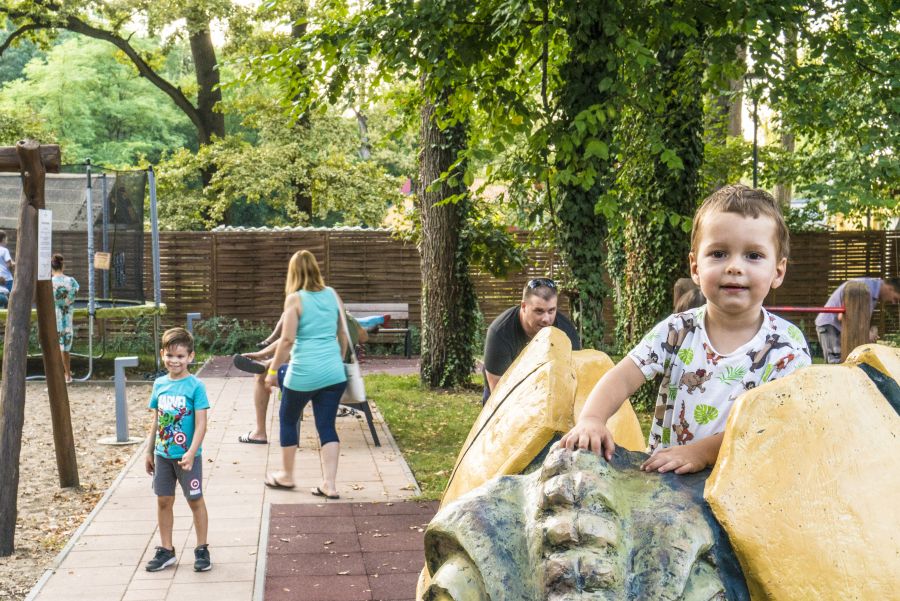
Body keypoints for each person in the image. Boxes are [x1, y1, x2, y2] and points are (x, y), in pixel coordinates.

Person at [560, 184, 811, 474]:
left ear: (778, 271)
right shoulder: (677, 330)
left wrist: (701, 452)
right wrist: (592, 418)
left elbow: (770, 426)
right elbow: (623, 376)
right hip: (668, 482)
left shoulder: (786, 348)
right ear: (695, 267)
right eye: (718, 253)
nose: (734, 267)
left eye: (753, 255)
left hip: (743, 486)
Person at [262, 250, 349, 498]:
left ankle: (287, 475)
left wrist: (271, 371)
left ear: (293, 272)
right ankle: (329, 484)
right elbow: (343, 333)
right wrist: (338, 361)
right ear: (316, 269)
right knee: (326, 425)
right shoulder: (332, 294)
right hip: (334, 373)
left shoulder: (295, 299)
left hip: (302, 374)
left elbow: (287, 340)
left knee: (288, 419)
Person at [234, 311, 367, 445]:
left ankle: (259, 433)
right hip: (340, 380)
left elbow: (290, 340)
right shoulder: (346, 322)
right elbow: (364, 338)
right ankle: (266, 362)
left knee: (262, 376)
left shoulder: (323, 322)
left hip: (313, 380)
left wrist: (264, 357)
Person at [144, 327, 212, 573]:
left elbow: (202, 423)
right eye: (170, 355)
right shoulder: (159, 384)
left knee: (195, 500)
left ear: (190, 357)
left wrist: (192, 452)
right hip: (163, 456)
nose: (175, 361)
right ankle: (166, 550)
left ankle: (202, 548)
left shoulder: (196, 386)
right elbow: (157, 420)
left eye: (181, 356)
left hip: (188, 458)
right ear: (163, 354)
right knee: (164, 500)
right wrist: (149, 451)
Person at [482, 278, 581, 403]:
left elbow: (574, 377)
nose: (546, 319)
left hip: (547, 391)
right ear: (524, 306)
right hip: (505, 391)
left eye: (551, 311)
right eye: (539, 311)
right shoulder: (500, 333)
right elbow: (498, 393)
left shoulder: (566, 331)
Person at [814, 277, 900, 364]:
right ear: (890, 288)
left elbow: (861, 318)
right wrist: (866, 333)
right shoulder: (864, 289)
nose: (893, 302)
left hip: (840, 328)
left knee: (847, 362)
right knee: (835, 364)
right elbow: (843, 317)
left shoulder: (872, 290)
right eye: (896, 299)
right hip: (830, 325)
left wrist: (871, 329)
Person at [51, 254, 80, 383]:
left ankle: (55, 376)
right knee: (65, 348)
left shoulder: (48, 282)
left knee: (54, 346)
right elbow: (74, 295)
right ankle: (67, 374)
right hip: (67, 316)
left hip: (53, 317)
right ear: (63, 266)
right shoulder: (71, 281)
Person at [0, 230, 14, 295]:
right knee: (8, 300)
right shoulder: (5, 250)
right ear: (3, 239)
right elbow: (9, 265)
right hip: (7, 279)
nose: (7, 241)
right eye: (6, 239)